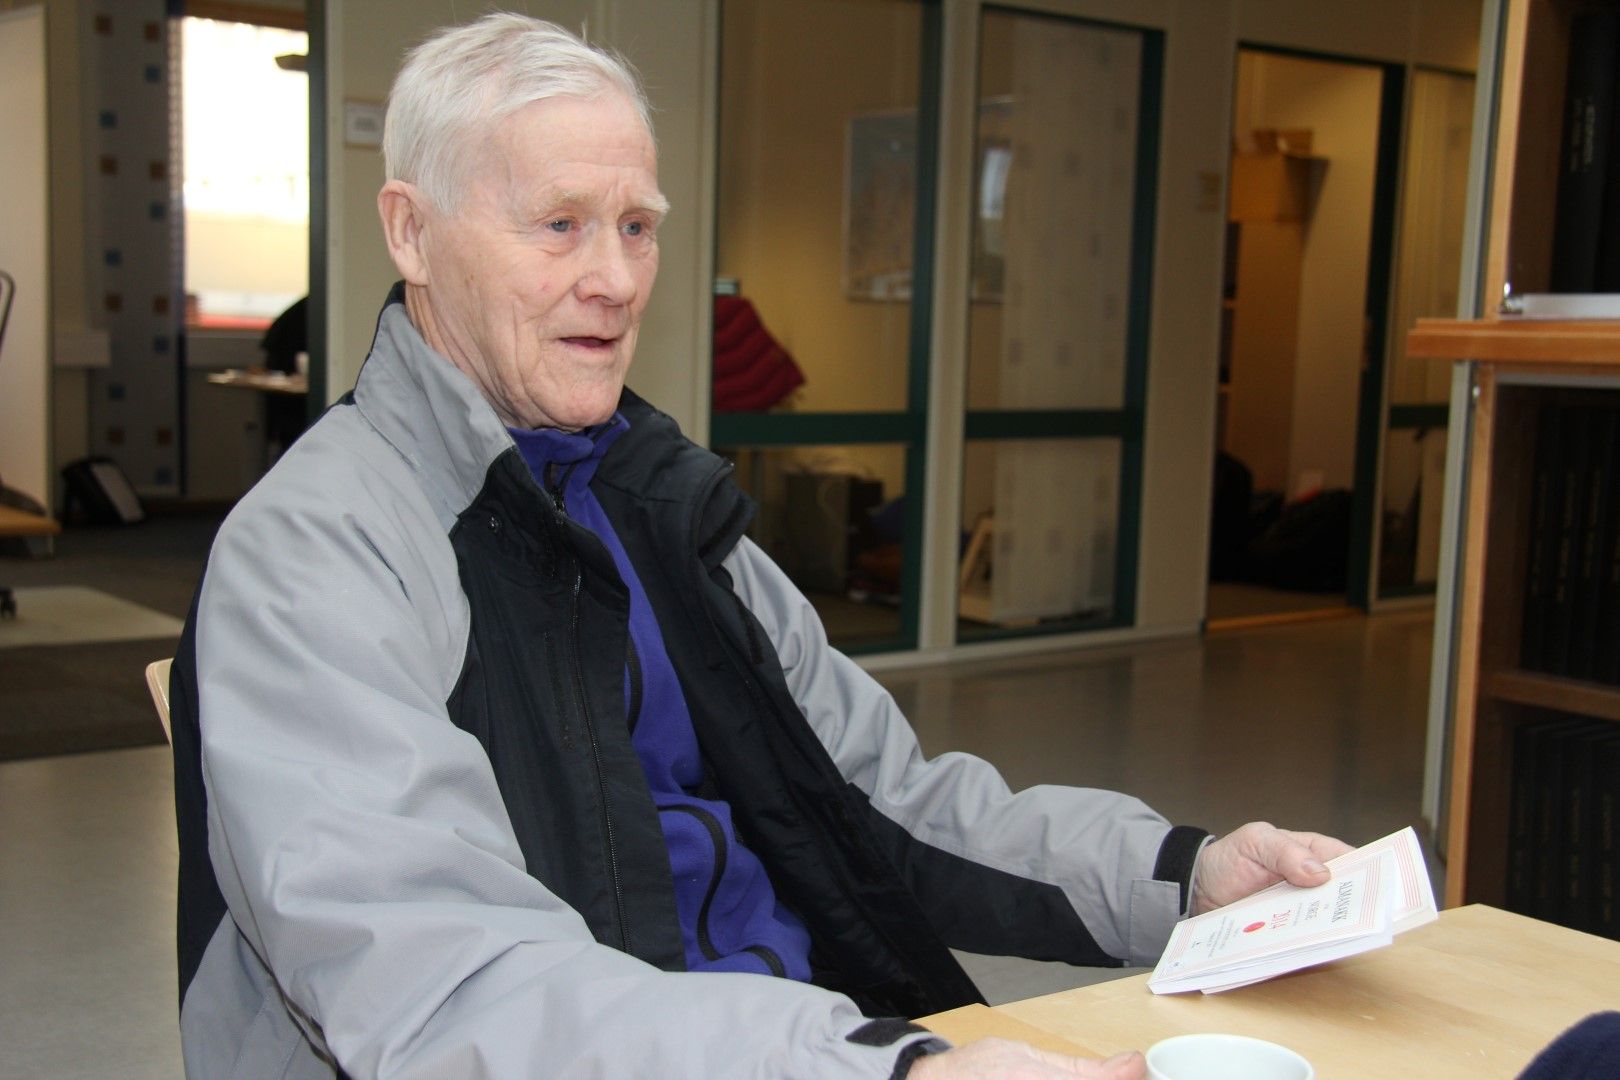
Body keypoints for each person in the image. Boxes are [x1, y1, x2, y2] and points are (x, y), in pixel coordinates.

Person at [169, 14, 1350, 1079]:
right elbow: (442, 986)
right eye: (560, 225)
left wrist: (1185, 878)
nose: (615, 280)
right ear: (412, 233)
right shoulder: (317, 553)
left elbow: (882, 801)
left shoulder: (662, 511)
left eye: (638, 227)